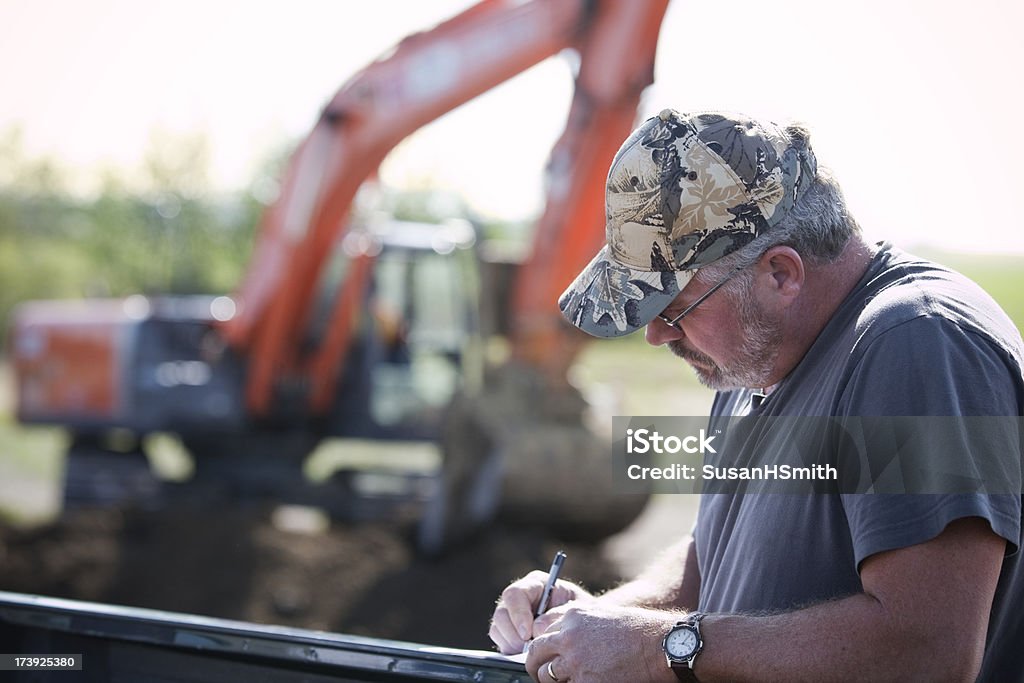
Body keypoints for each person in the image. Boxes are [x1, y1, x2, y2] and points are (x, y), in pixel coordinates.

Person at [488, 109, 1024, 682]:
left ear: (780, 274)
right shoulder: (749, 362)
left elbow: (927, 652)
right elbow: (709, 568)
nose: (657, 334)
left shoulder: (916, 344)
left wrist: (658, 649)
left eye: (675, 308)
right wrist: (596, 618)